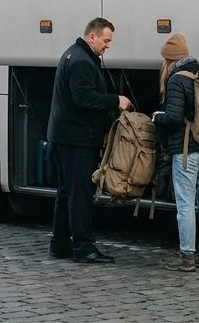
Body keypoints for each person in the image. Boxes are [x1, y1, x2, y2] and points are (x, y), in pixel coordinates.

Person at [47, 17, 132, 264]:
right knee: (79, 194)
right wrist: (115, 100)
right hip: (76, 138)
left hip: (65, 135)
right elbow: (83, 98)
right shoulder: (82, 61)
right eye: (106, 40)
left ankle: (60, 243)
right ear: (92, 36)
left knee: (66, 192)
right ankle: (83, 247)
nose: (108, 45)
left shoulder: (74, 55)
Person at [151, 33, 199, 272]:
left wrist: (157, 117)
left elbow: (173, 117)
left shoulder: (176, 80)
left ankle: (187, 256)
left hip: (187, 151)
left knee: (185, 204)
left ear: (168, 60)